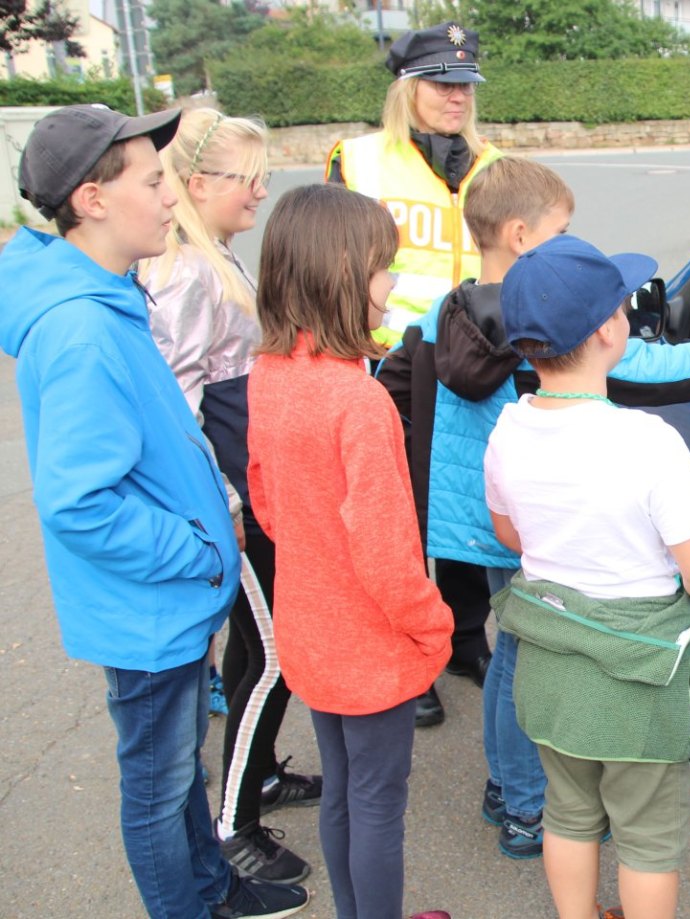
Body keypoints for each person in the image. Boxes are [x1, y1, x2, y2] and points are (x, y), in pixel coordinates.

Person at [375, 155, 690, 860]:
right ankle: (526, 803)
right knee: (523, 660)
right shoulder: (545, 320)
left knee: (514, 652)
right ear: (521, 234)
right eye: (563, 228)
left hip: (488, 513)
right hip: (526, 526)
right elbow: (647, 369)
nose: (573, 239)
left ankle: (509, 787)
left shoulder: (456, 308)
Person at [0, 104, 309, 919]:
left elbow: (164, 431)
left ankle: (210, 884)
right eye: (150, 180)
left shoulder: (109, 292)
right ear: (92, 199)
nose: (169, 196)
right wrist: (196, 549)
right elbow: (80, 502)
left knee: (179, 769)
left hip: (163, 594)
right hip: (145, 600)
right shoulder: (79, 329)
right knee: (157, 779)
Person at [484, 233, 690, 919]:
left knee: (568, 811)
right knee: (647, 836)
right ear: (607, 330)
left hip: (552, 672)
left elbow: (510, 533)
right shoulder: (648, 442)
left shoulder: (507, 428)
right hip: (637, 683)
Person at [246, 182, 455, 919]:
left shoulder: (270, 373)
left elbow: (265, 501)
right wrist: (432, 623)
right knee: (377, 804)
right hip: (371, 642)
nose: (392, 282)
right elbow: (388, 547)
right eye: (383, 267)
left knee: (342, 789)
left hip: (309, 626)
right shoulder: (358, 400)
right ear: (343, 277)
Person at [139, 107, 320, 886]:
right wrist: (226, 503)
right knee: (274, 655)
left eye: (264, 179)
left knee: (259, 649)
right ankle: (233, 824)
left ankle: (260, 772)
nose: (259, 194)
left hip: (259, 486)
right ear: (198, 182)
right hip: (236, 497)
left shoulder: (217, 256)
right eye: (248, 180)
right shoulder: (185, 271)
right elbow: (179, 412)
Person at [327, 20, 504, 727]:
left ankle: (463, 637)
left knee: (463, 502)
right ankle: (411, 651)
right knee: (393, 516)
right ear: (406, 87)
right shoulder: (362, 160)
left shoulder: (495, 162)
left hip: (471, 358)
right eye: (439, 80)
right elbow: (332, 262)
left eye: (464, 82)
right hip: (388, 362)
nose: (455, 94)